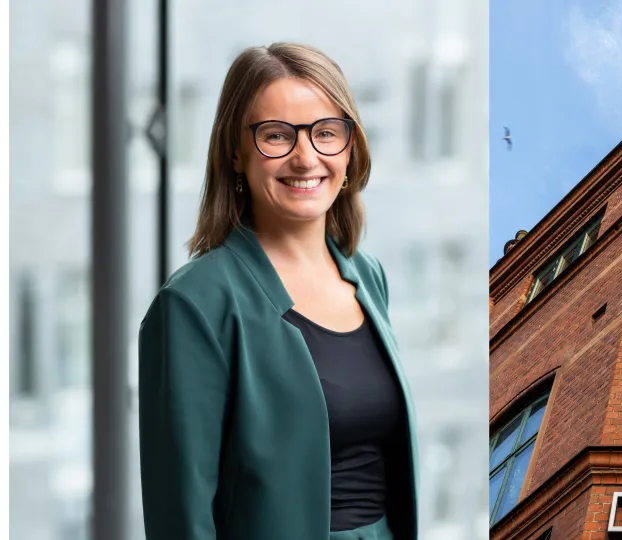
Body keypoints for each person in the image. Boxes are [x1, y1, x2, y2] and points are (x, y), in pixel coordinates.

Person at [138, 42, 417, 540]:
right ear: (235, 152)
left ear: (350, 147)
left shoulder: (367, 275)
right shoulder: (193, 305)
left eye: (326, 132)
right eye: (276, 135)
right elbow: (180, 518)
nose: (306, 157)